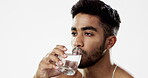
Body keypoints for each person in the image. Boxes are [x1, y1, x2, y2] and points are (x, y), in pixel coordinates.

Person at [34, 0, 133, 78]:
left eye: (88, 34)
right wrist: (40, 76)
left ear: (110, 42)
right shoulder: (63, 75)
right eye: (74, 33)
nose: (77, 42)